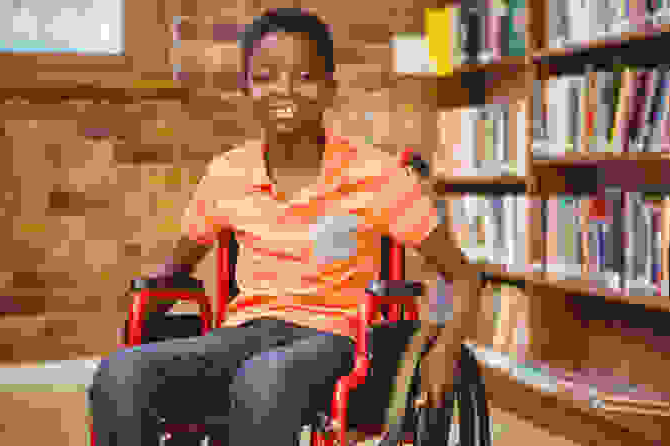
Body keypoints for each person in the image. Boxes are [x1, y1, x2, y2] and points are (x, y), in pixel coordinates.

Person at [89, 8, 483, 445]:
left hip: (337, 339)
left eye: (303, 76)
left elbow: (463, 275)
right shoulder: (227, 174)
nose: (284, 89)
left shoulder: (381, 176)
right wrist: (146, 326)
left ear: (330, 88)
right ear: (247, 88)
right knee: (121, 373)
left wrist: (446, 347)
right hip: (246, 331)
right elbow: (174, 270)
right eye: (266, 76)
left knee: (264, 380)